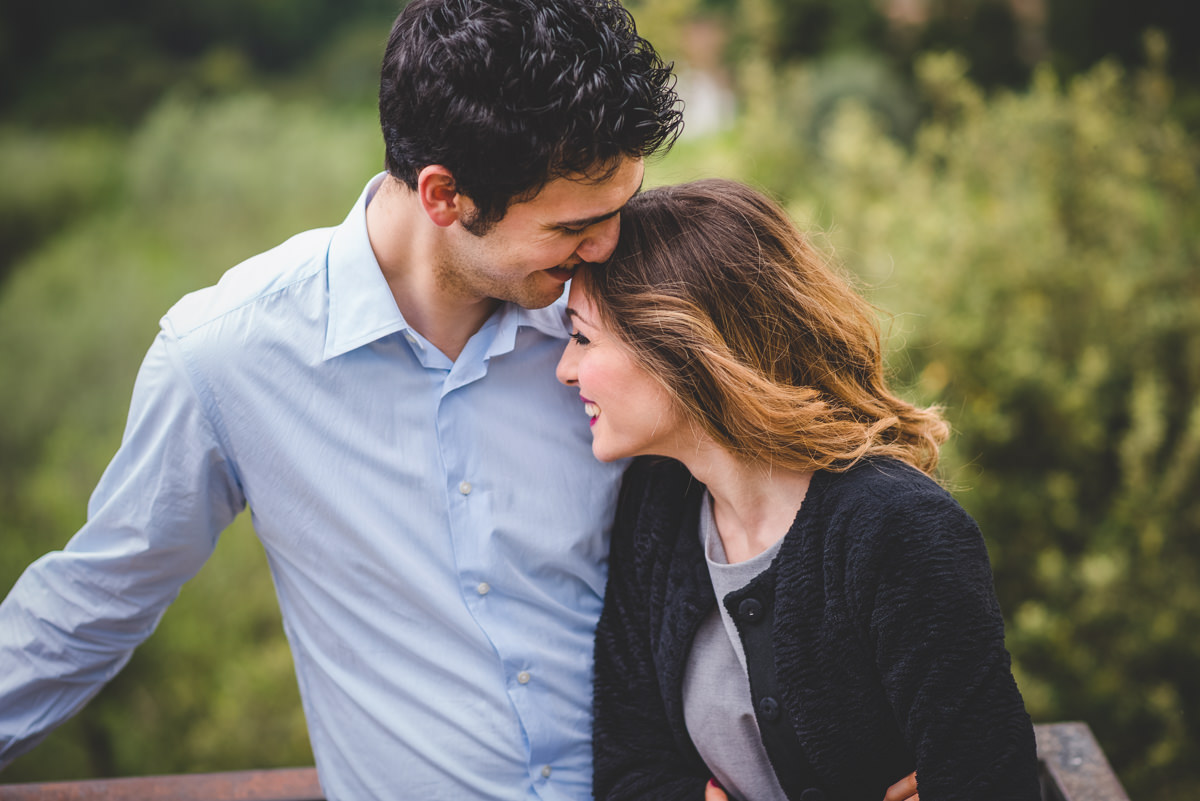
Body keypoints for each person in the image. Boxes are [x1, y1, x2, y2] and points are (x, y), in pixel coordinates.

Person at [0, 2, 683, 798]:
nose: (609, 244)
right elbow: (92, 601)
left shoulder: (622, 321)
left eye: (619, 209)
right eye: (577, 224)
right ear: (444, 196)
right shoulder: (227, 355)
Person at [555, 179, 1041, 801]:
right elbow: (628, 770)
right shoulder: (654, 505)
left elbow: (989, 782)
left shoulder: (895, 529)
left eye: (583, 337)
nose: (565, 369)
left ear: (678, 349)